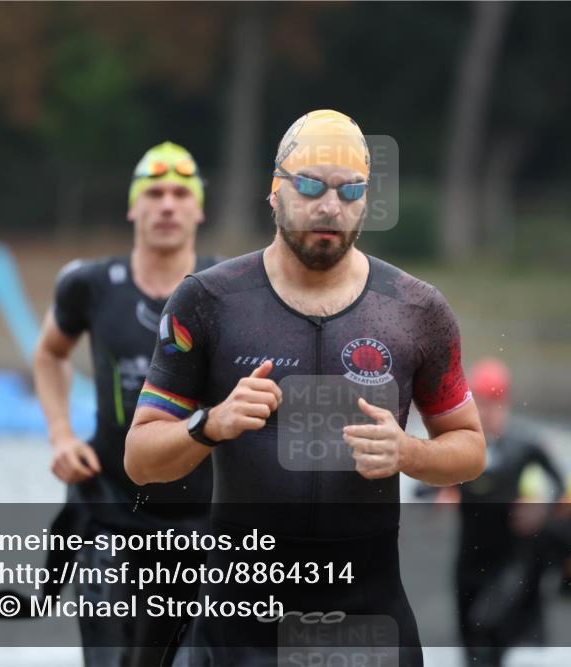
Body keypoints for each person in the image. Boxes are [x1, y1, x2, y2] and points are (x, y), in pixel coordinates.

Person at [125, 110, 487, 666]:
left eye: (350, 191)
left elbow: (469, 449)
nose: (329, 206)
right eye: (311, 185)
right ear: (276, 192)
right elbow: (141, 460)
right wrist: (209, 424)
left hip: (366, 616)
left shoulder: (415, 309)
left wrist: (409, 452)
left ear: (366, 200)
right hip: (240, 623)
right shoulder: (208, 301)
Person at [33, 141, 219, 667]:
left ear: (198, 209)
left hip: (199, 520)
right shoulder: (89, 285)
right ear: (133, 207)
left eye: (180, 193)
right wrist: (61, 436)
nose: (166, 205)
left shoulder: (225, 289)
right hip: (111, 508)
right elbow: (49, 354)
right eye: (154, 193)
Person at [443, 357, 565, 667]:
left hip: (509, 564)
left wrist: (543, 508)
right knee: (471, 644)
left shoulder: (525, 446)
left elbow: (560, 485)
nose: (484, 413)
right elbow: (423, 486)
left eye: (492, 405)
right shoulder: (459, 447)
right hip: (466, 564)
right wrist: (437, 494)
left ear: (505, 403)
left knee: (488, 627)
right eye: (478, 404)